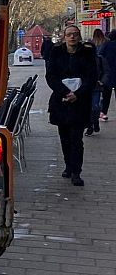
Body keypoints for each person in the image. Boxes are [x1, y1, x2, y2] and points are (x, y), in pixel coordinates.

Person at [45, 25, 98, 186]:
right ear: (64, 37)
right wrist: (64, 92)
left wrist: (78, 93)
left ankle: (76, 171)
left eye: (75, 34)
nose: (72, 37)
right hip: (61, 102)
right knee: (64, 137)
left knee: (76, 138)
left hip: (80, 102)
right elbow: (50, 75)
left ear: (79, 36)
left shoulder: (87, 52)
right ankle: (68, 165)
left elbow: (92, 76)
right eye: (69, 35)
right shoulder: (56, 52)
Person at [87, 29, 107, 135]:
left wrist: (101, 81)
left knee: (95, 107)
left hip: (96, 86)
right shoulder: (81, 60)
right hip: (84, 88)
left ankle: (95, 122)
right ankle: (90, 127)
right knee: (87, 108)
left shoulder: (99, 59)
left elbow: (105, 72)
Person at [100, 30, 116, 122]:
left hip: (108, 73)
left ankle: (103, 112)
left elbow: (100, 55)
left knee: (106, 95)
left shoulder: (106, 45)